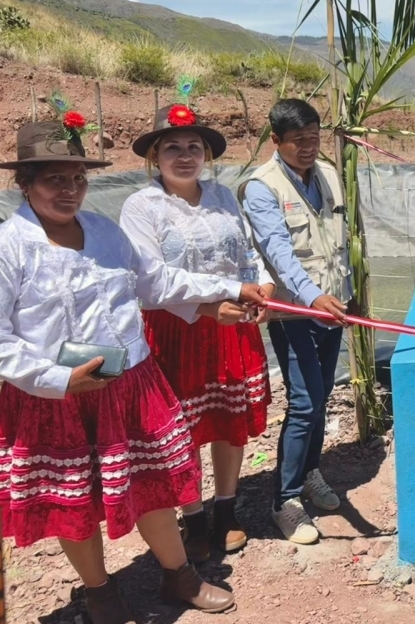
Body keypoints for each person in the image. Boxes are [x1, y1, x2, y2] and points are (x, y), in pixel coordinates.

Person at [0, 117, 266, 623]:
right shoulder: (9, 248)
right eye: (54, 178)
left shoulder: (103, 232)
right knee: (73, 502)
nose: (69, 189)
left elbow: (155, 281)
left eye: (77, 178)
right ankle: (100, 592)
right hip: (54, 398)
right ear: (25, 183)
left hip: (129, 384)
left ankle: (180, 576)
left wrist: (229, 291)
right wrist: (59, 380)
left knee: (154, 483)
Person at [119, 104, 275, 562]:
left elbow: (246, 249)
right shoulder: (142, 207)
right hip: (177, 327)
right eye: (172, 148)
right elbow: (153, 280)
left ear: (205, 153)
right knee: (181, 425)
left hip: (232, 325)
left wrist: (260, 284)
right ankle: (193, 514)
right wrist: (219, 297)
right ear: (154, 157)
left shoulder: (223, 196)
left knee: (228, 422)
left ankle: (225, 507)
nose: (184, 156)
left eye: (193, 147)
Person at [240, 99, 354, 545]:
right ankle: (284, 500)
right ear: (276, 141)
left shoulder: (326, 174)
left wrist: (344, 294)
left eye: (314, 138)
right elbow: (278, 254)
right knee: (305, 402)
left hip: (333, 304)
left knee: (322, 395)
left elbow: (340, 238)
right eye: (298, 141)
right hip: (296, 311)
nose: (308, 147)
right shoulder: (261, 187)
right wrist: (313, 297)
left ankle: (310, 473)